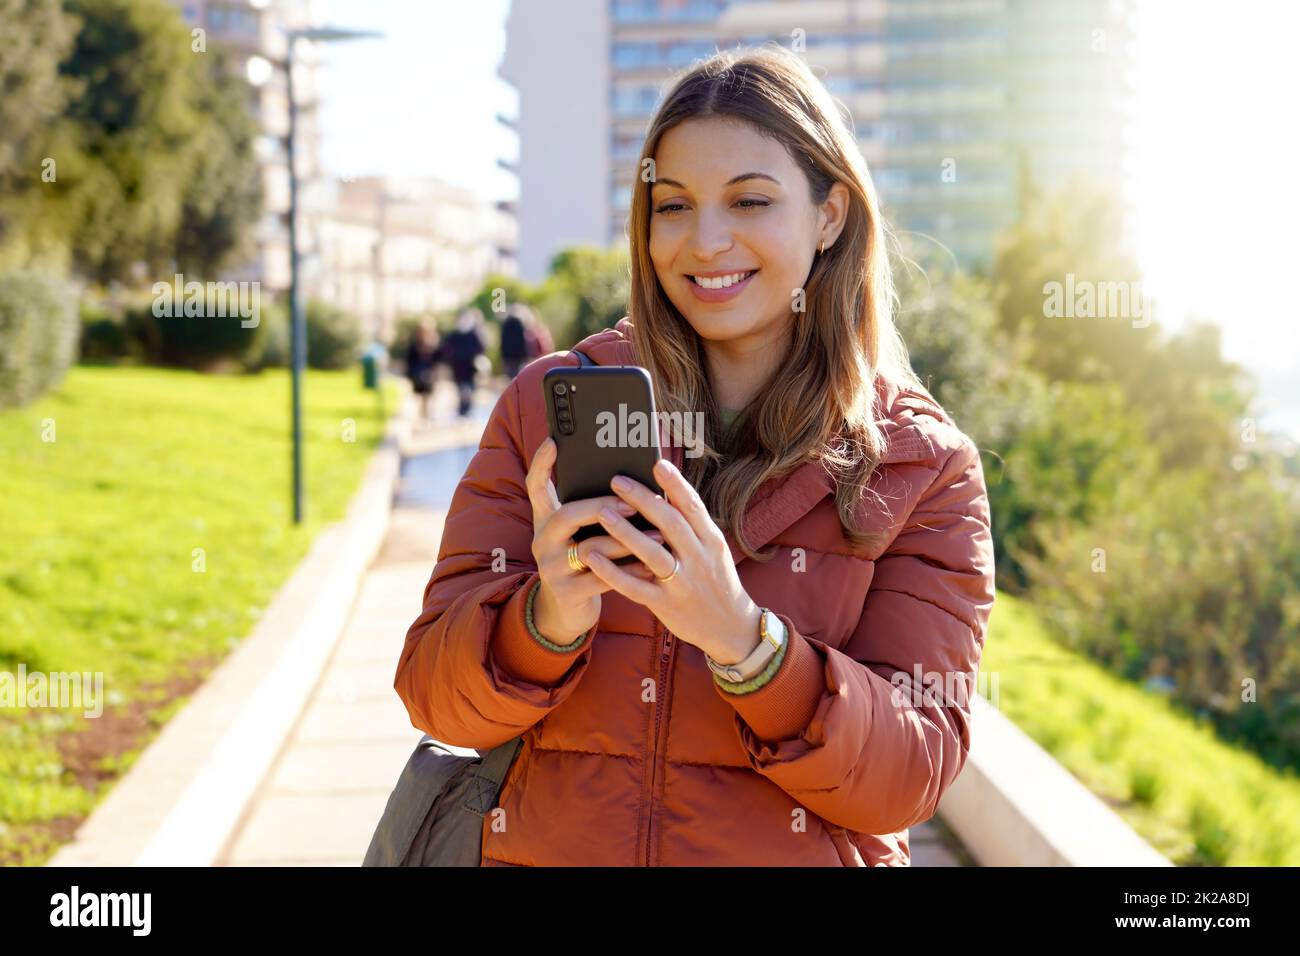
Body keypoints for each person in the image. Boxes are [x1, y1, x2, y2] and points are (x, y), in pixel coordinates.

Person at [393, 44, 995, 866]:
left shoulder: (922, 466)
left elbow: (910, 777)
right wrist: (545, 622)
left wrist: (749, 646)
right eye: (672, 207)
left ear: (831, 216)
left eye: (749, 201)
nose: (704, 242)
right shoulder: (547, 406)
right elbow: (436, 698)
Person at [442, 308, 486, 418]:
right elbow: (446, 349)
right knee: (461, 389)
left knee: (469, 389)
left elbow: (481, 348)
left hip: (470, 367)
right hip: (458, 366)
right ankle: (462, 409)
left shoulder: (474, 334)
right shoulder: (454, 334)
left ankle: (467, 409)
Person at [403, 321, 439, 425]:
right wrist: (410, 374)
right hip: (417, 374)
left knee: (427, 397)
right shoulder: (415, 343)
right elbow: (409, 359)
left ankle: (425, 416)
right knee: (418, 397)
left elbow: (437, 357)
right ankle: (420, 417)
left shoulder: (433, 342)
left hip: (429, 374)